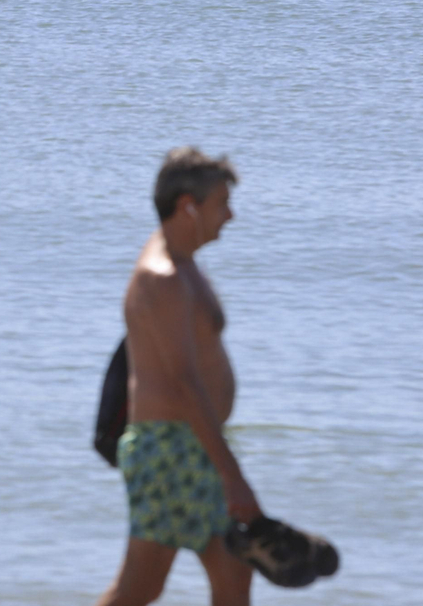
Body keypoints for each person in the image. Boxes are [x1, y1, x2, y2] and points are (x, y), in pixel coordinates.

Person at [94, 148, 260, 606]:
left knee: (233, 574)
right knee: (139, 588)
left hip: (187, 443)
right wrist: (232, 474)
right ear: (189, 206)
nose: (230, 215)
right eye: (222, 203)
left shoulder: (182, 264)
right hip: (170, 449)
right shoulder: (163, 278)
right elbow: (183, 385)